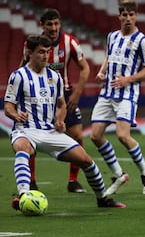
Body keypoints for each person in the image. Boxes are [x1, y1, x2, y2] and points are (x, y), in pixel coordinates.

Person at [5, 35, 125, 210]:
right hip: (25, 130)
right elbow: (8, 106)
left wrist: (60, 120)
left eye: (47, 52)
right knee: (23, 149)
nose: (45, 56)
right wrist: (16, 116)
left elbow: (61, 104)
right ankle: (24, 195)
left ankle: (103, 199)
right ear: (30, 53)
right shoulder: (18, 76)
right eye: (41, 52)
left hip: (50, 131)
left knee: (85, 160)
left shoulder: (55, 77)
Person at [90, 0, 145, 196]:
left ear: (136, 16)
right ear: (119, 16)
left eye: (131, 14)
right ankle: (119, 174)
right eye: (124, 14)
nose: (128, 18)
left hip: (127, 94)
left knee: (122, 136)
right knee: (95, 135)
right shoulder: (111, 37)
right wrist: (102, 72)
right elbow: (109, 57)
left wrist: (128, 79)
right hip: (107, 92)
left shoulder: (143, 41)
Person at [21, 8, 90, 193]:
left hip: (64, 95)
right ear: (42, 25)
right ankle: (32, 180)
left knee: (77, 135)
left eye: (56, 23)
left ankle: (73, 181)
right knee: (30, 138)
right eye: (50, 24)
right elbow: (22, 68)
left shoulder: (69, 42)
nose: (54, 28)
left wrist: (76, 94)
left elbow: (85, 68)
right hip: (38, 96)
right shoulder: (33, 45)